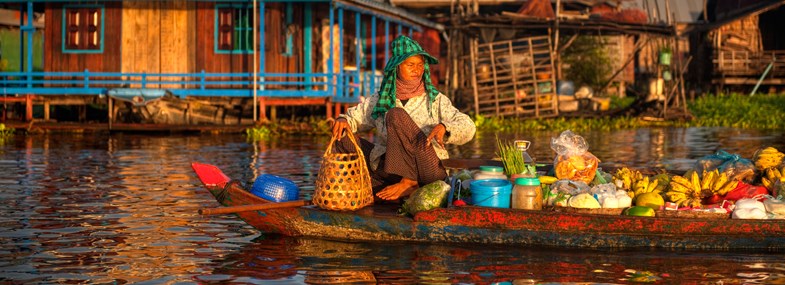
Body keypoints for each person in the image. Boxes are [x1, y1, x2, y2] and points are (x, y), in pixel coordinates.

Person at [330, 35, 476, 201]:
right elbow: (354, 118)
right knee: (341, 137)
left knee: (395, 114)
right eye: (411, 65)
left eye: (420, 65)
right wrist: (343, 120)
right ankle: (387, 186)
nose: (417, 69)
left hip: (428, 169)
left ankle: (410, 183)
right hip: (393, 170)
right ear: (397, 67)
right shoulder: (381, 99)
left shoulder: (435, 100)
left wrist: (445, 127)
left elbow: (468, 126)